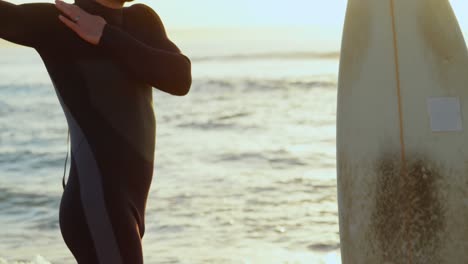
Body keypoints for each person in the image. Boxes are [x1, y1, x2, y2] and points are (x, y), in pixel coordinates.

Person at [0, 0, 192, 262]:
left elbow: (180, 78)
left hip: (127, 209)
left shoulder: (141, 19)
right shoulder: (57, 22)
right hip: (96, 203)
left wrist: (105, 35)